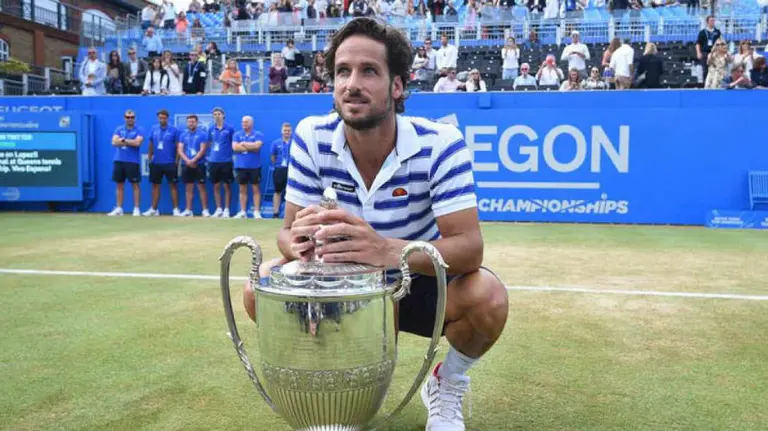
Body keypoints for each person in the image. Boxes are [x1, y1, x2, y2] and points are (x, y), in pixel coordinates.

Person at [243, 17, 508, 430]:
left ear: (397, 86)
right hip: (342, 286)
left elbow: (470, 249)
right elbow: (285, 234)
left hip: (412, 280)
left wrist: (384, 250)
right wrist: (299, 244)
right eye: (342, 71)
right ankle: (336, 386)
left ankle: (447, 383)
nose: (352, 83)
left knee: (487, 297)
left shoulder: (440, 144)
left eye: (369, 71)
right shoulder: (311, 136)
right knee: (259, 286)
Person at [107, 110, 145, 216]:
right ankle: (119, 208)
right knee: (119, 184)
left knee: (135, 185)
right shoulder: (119, 128)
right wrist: (129, 141)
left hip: (132, 161)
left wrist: (124, 140)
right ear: (124, 118)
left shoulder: (139, 129)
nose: (130, 119)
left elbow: (137, 143)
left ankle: (136, 208)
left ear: (135, 118)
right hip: (119, 160)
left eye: (132, 117)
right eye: (128, 117)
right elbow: (114, 142)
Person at [144, 109, 181, 216]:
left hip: (170, 162)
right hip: (156, 162)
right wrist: (150, 157)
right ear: (158, 118)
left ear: (167, 118)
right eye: (160, 117)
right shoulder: (153, 129)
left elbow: (178, 145)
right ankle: (154, 209)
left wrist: (176, 161)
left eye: (164, 118)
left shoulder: (174, 130)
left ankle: (175, 209)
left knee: (173, 186)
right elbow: (150, 144)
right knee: (155, 186)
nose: (162, 119)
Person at [177, 114, 211, 217]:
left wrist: (194, 160)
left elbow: (203, 149)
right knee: (188, 187)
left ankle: (205, 210)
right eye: (189, 121)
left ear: (196, 122)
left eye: (193, 121)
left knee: (201, 187)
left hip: (199, 164)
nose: (191, 123)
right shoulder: (183, 135)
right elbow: (180, 149)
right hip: (186, 164)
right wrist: (187, 161)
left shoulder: (203, 134)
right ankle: (188, 210)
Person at [232, 116, 265, 219]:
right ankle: (243, 211)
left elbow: (257, 147)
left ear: (251, 123)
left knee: (256, 189)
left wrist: (244, 144)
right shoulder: (237, 134)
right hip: (241, 166)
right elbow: (235, 148)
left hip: (254, 166)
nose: (243, 124)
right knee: (242, 189)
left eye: (246, 122)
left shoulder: (258, 134)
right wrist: (250, 146)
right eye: (242, 122)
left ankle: (256, 212)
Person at [207, 107, 236, 218]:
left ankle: (227, 210)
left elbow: (233, 144)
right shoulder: (210, 129)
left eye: (219, 114)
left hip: (226, 161)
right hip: (213, 161)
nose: (217, 116)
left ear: (223, 115)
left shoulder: (230, 129)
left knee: (227, 186)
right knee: (216, 186)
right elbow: (209, 143)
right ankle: (219, 209)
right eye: (215, 114)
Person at [270, 122, 293, 219]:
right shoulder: (276, 143)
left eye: (288, 131)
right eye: (285, 130)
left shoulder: (294, 142)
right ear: (281, 131)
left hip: (292, 170)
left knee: (291, 192)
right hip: (279, 169)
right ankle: (275, 213)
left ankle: (289, 215)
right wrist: (278, 165)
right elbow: (273, 156)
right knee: (277, 191)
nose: (286, 132)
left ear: (291, 132)